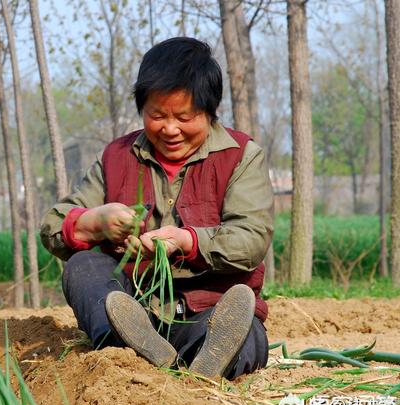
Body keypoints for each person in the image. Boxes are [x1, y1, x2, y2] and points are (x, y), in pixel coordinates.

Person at [40, 37, 273, 380]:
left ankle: (203, 362)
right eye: (157, 115)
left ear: (210, 111)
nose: (170, 129)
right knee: (84, 265)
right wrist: (95, 223)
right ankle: (126, 344)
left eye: (184, 117)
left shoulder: (240, 156)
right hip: (132, 309)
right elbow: (53, 226)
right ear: (142, 108)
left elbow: (250, 239)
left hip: (205, 312)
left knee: (244, 335)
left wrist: (187, 241)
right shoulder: (116, 157)